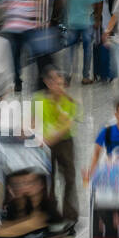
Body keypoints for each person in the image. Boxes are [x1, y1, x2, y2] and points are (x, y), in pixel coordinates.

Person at [35, 66, 81, 224]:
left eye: (61, 84)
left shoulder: (70, 102)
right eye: (55, 83)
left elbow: (65, 127)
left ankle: (70, 213)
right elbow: (32, 121)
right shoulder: (39, 100)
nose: (59, 87)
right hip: (44, 144)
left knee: (69, 177)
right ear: (47, 83)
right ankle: (51, 212)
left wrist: (47, 140)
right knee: (48, 178)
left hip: (64, 143)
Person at [0, 0, 43, 94]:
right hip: (28, 27)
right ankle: (38, 80)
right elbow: (39, 2)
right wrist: (38, 20)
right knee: (35, 52)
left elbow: (2, 6)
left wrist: (3, 19)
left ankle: (17, 80)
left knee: (15, 55)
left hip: (12, 27)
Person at [57, 0, 101, 86]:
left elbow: (64, 2)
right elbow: (92, 6)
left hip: (72, 22)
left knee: (70, 50)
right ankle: (85, 77)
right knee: (87, 50)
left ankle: (66, 77)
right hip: (86, 23)